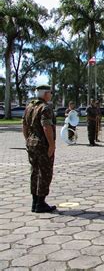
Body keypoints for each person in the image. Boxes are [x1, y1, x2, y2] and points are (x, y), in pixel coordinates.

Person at [22, 85, 56, 213]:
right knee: (44, 173)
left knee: (34, 172)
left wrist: (28, 139)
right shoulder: (45, 108)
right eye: (50, 93)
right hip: (43, 145)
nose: (51, 95)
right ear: (45, 94)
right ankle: (41, 203)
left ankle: (35, 202)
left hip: (32, 144)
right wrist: (52, 145)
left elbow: (24, 125)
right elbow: (46, 127)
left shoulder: (29, 107)